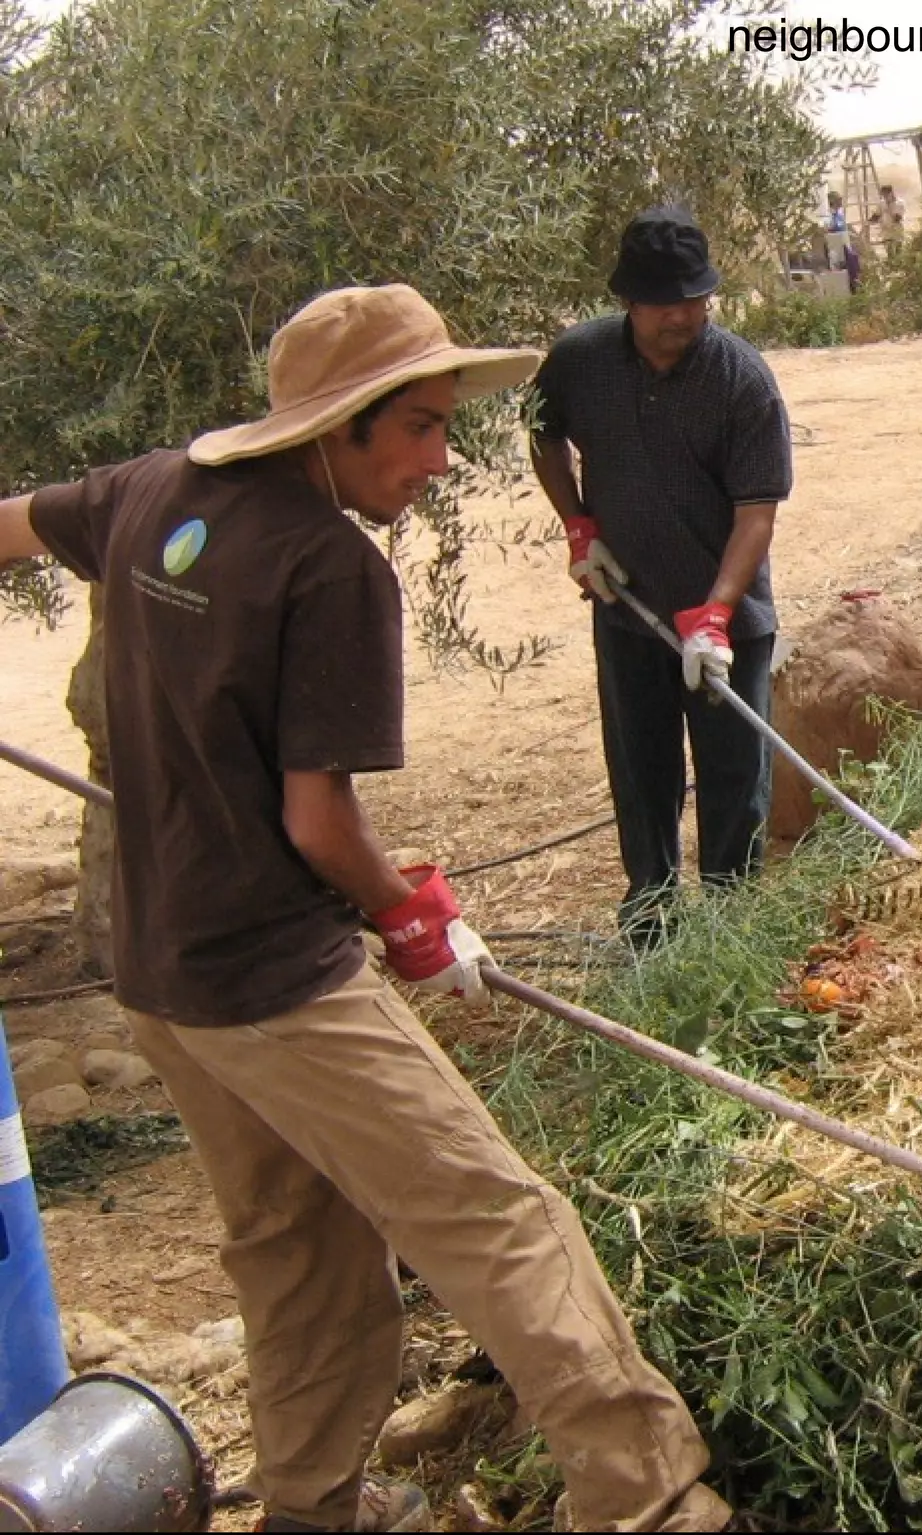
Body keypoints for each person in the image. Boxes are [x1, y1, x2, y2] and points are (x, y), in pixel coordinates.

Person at [0, 284, 732, 1533]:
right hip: (275, 978)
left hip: (166, 977)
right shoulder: (328, 564)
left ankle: (311, 1506)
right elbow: (319, 823)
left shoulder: (148, 488)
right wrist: (417, 919)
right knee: (497, 1217)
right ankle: (650, 1495)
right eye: (420, 428)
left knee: (303, 1256)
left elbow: (12, 523)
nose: (438, 461)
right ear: (339, 424)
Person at [530, 207, 794, 938]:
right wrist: (579, 527)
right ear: (627, 300)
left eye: (696, 298)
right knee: (641, 774)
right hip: (628, 609)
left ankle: (730, 930)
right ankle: (650, 920)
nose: (683, 315)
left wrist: (716, 615)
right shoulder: (579, 361)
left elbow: (757, 514)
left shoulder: (742, 380)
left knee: (733, 778)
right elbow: (541, 434)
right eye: (664, 302)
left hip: (726, 625)